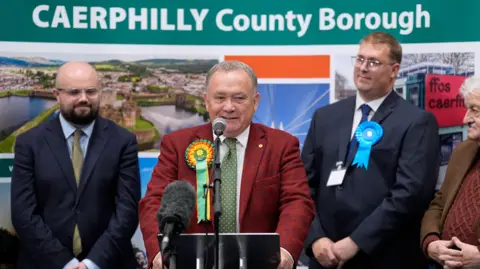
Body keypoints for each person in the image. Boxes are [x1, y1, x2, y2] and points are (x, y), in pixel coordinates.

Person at [138, 60, 315, 269]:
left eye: (239, 98)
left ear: (255, 102)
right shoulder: (177, 144)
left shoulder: (282, 145)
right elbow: (153, 202)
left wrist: (285, 251)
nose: (228, 107)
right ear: (206, 101)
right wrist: (159, 251)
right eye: (220, 98)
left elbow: (297, 202)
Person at [302, 31, 440, 269]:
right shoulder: (324, 117)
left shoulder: (417, 122)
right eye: (360, 59)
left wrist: (357, 241)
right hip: (325, 257)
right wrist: (315, 238)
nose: (363, 68)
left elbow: (410, 194)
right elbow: (303, 185)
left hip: (384, 257)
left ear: (394, 70)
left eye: (374, 62)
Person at [10, 62, 141, 269]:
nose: (83, 98)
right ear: (57, 94)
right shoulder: (29, 143)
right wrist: (65, 263)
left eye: (91, 91)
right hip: (44, 263)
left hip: (107, 262)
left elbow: (127, 211)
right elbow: (23, 213)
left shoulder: (123, 142)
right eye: (74, 92)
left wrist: (92, 263)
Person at [420, 76, 480, 269]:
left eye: (475, 110)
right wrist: (430, 242)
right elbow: (439, 204)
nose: (465, 119)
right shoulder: (464, 151)